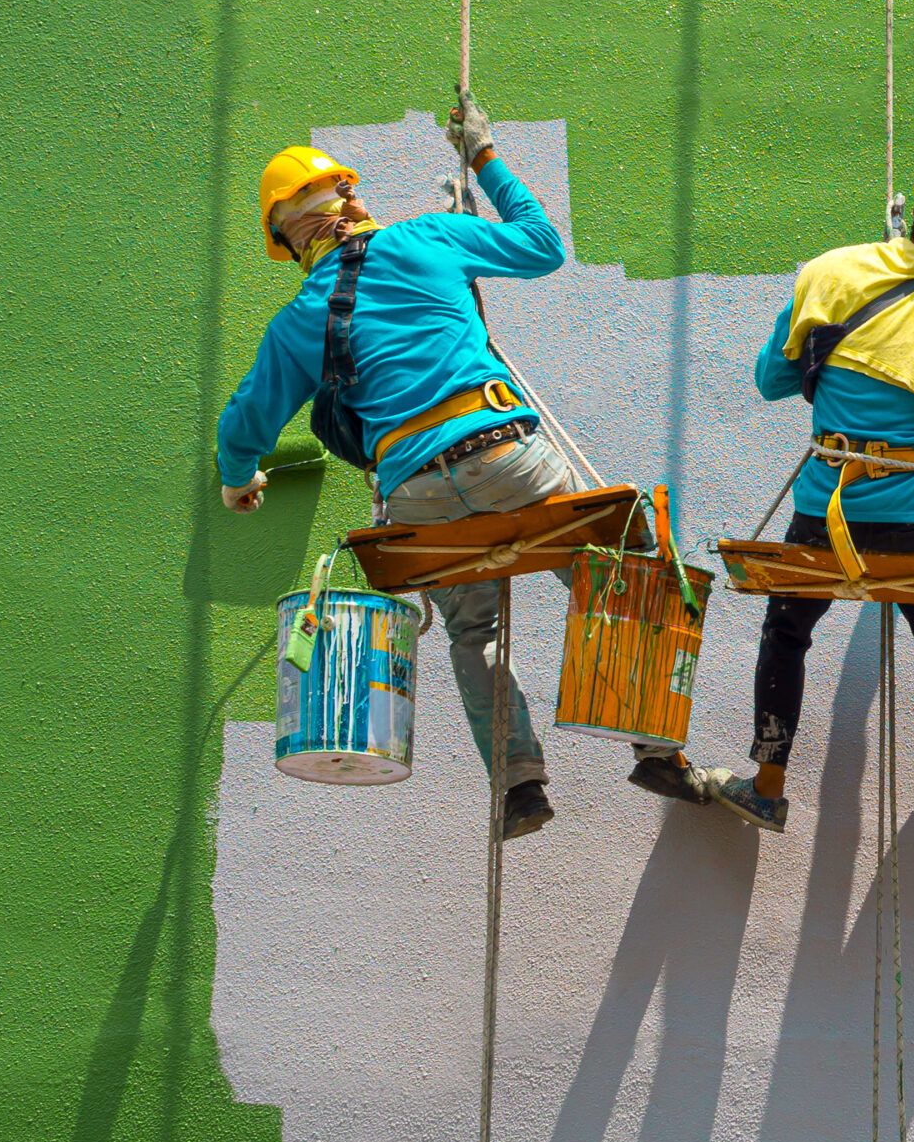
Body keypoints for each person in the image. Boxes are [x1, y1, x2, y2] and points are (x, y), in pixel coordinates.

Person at [215, 97, 706, 838]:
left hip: (415, 495)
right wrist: (483, 154)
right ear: (350, 197)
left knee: (474, 633)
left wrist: (238, 479)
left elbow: (244, 421)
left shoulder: (297, 324)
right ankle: (656, 748)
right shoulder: (427, 239)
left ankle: (518, 786)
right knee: (616, 573)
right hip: (503, 453)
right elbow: (541, 246)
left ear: (288, 241)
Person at [700, 153, 914, 858]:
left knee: (786, 632)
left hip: (827, 504)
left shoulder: (830, 272)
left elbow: (772, 381)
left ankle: (768, 781)